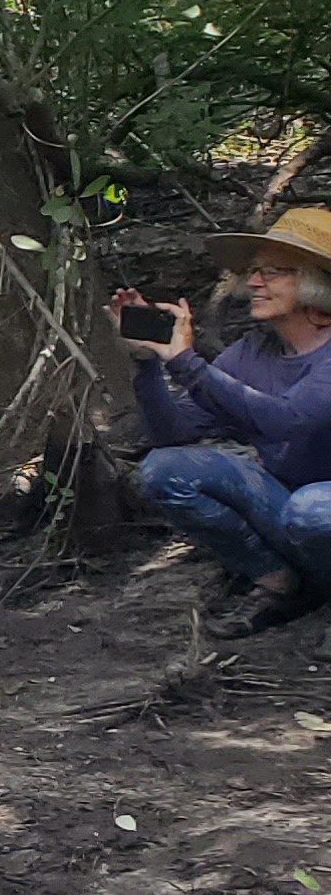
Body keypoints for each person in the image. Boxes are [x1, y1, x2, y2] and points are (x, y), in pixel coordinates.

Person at [118, 204, 331, 638]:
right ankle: (279, 582)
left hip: (317, 509)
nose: (253, 282)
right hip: (288, 507)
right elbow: (172, 434)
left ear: (315, 284)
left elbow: (289, 420)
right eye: (254, 271)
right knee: (165, 470)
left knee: (311, 510)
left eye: (272, 272)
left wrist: (186, 362)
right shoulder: (252, 352)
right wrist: (149, 362)